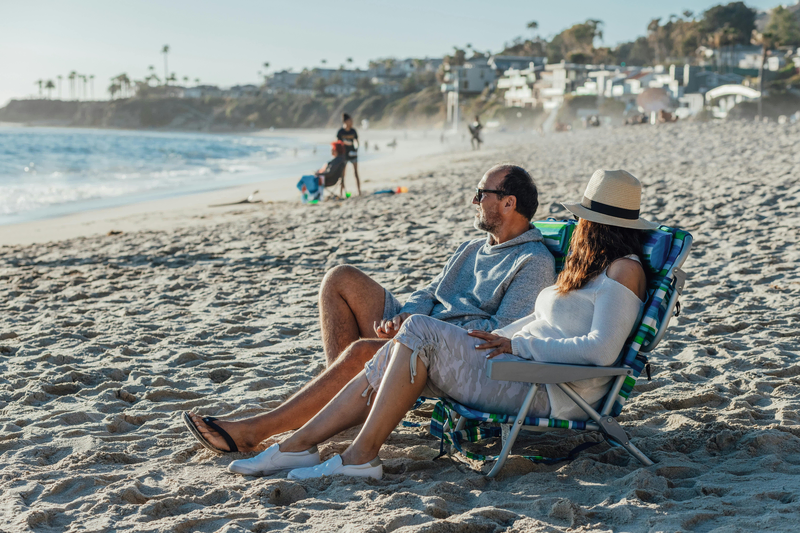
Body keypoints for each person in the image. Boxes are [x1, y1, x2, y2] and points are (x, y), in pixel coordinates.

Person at [230, 169, 657, 480]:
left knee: (417, 330)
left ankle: (354, 454)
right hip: (517, 369)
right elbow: (534, 321)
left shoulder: (625, 271)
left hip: (547, 387)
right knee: (406, 337)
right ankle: (296, 446)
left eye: (583, 218)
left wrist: (516, 348)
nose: (578, 225)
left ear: (597, 224)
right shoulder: (592, 272)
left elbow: (601, 350)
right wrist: (500, 339)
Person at [184, 164, 556, 455]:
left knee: (363, 353)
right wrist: (404, 316)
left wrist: (424, 328)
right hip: (424, 329)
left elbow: (501, 332)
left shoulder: (533, 260)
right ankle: (346, 404)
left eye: (481, 193)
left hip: (448, 349)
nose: (474, 201)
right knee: (340, 278)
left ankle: (254, 433)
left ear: (508, 203)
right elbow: (430, 291)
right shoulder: (474, 247)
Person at [336, 113, 361, 197]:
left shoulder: (353, 131)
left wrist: (356, 149)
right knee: (343, 174)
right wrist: (344, 143)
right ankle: (342, 193)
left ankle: (359, 191)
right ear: (345, 121)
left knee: (356, 173)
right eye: (350, 120)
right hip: (343, 155)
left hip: (353, 154)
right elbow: (337, 144)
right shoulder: (340, 132)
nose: (352, 122)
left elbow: (357, 142)